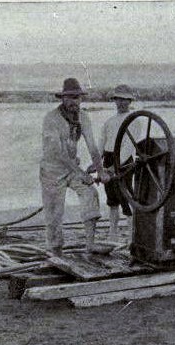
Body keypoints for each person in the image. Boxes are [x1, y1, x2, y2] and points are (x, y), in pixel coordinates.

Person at [40, 78, 110, 256]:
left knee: (90, 193)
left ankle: (90, 244)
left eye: (77, 98)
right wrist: (81, 174)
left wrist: (100, 171)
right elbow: (58, 153)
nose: (74, 102)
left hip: (72, 168)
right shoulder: (51, 119)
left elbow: (92, 147)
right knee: (55, 214)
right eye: (70, 98)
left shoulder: (84, 117)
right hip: (52, 170)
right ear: (62, 99)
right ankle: (55, 252)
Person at [98, 84, 139, 241]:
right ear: (114, 101)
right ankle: (113, 233)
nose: (121, 103)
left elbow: (129, 146)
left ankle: (132, 234)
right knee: (112, 199)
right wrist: (97, 164)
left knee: (126, 197)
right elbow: (102, 143)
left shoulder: (134, 121)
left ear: (129, 101)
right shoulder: (109, 121)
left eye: (124, 100)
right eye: (118, 100)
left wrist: (115, 166)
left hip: (123, 161)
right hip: (108, 157)